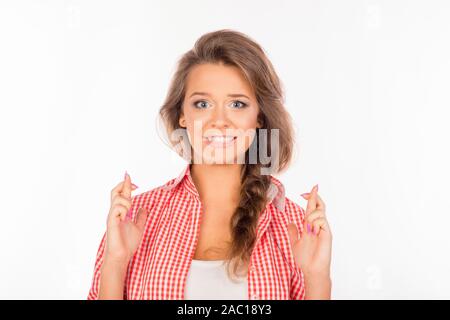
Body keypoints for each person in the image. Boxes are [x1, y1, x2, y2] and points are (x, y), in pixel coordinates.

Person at [87, 29, 332, 300]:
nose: (219, 121)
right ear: (182, 115)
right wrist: (116, 262)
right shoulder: (137, 219)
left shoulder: (294, 225)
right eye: (202, 103)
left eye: (237, 104)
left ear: (259, 118)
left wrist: (317, 277)